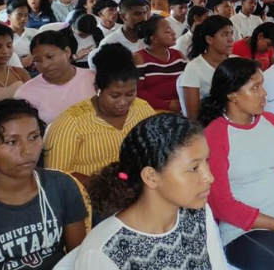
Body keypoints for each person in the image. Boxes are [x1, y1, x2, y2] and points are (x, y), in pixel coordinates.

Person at [197, 58, 274, 269]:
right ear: (232, 94)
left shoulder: (272, 123)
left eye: (263, 86)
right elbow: (222, 205)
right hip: (245, 233)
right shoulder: (215, 135)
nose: (264, 94)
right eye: (256, 87)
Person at [75, 113, 225, 268]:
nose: (209, 177)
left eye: (206, 162)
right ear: (151, 177)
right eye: (194, 168)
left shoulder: (198, 214)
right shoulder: (104, 252)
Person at [0, 99, 88, 270]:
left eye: (34, 137)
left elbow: (78, 257)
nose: (27, 151)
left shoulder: (61, 186)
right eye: (12, 142)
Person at [44, 43, 156, 186]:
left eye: (130, 94)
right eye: (115, 95)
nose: (123, 102)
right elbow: (57, 174)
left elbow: (158, 149)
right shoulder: (72, 122)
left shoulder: (142, 109)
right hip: (93, 197)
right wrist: (105, 186)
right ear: (98, 88)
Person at [14, 31, 96, 123]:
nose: (45, 65)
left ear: (67, 52)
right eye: (37, 60)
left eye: (50, 57)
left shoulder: (93, 78)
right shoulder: (26, 93)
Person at [181, 15, 234, 120]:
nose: (230, 40)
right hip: (209, 122)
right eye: (224, 35)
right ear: (209, 39)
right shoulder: (194, 67)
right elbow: (193, 114)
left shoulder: (236, 61)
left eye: (231, 34)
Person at [133, 17, 186, 113]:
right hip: (151, 110)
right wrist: (166, 105)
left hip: (181, 108)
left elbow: (188, 82)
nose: (174, 34)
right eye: (168, 31)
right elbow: (137, 91)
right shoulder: (139, 58)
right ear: (154, 39)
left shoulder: (179, 55)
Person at [88, 0, 149, 68]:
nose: (143, 18)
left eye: (144, 13)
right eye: (137, 14)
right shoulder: (110, 43)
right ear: (123, 16)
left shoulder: (151, 38)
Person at [6, 0, 39, 69]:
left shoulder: (35, 32)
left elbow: (42, 49)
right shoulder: (3, 35)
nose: (23, 18)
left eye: (26, 15)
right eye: (19, 15)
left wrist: (31, 56)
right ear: (9, 17)